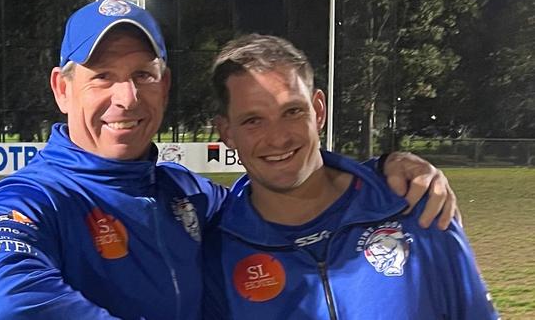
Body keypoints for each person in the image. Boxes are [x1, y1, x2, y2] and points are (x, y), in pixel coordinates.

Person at [0, 0, 458, 320]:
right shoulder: (33, 196)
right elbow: (5, 302)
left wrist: (381, 170)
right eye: (102, 76)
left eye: (142, 74)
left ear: (165, 84)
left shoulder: (187, 193)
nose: (127, 98)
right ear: (62, 89)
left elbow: (280, 194)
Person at [203, 34, 499, 319]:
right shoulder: (217, 253)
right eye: (253, 120)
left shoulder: (414, 205)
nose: (278, 139)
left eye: (292, 111)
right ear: (227, 132)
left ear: (318, 111)